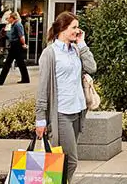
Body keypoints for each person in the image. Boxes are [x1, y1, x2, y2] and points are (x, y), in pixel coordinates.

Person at [35, 12, 96, 182]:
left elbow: (92, 67)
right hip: (60, 113)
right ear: (62, 29)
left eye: (78, 27)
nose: (77, 31)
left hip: (77, 110)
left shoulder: (76, 49)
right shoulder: (50, 53)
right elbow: (43, 88)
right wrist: (40, 119)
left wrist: (82, 43)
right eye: (74, 27)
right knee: (70, 162)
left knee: (63, 160)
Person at [0, 11, 30, 85]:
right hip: (14, 45)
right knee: (19, 63)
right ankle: (25, 78)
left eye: (9, 18)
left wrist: (24, 44)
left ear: (13, 18)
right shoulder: (12, 25)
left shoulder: (18, 25)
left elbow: (21, 36)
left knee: (9, 63)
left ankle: (0, 81)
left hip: (17, 45)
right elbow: (10, 35)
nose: (8, 19)